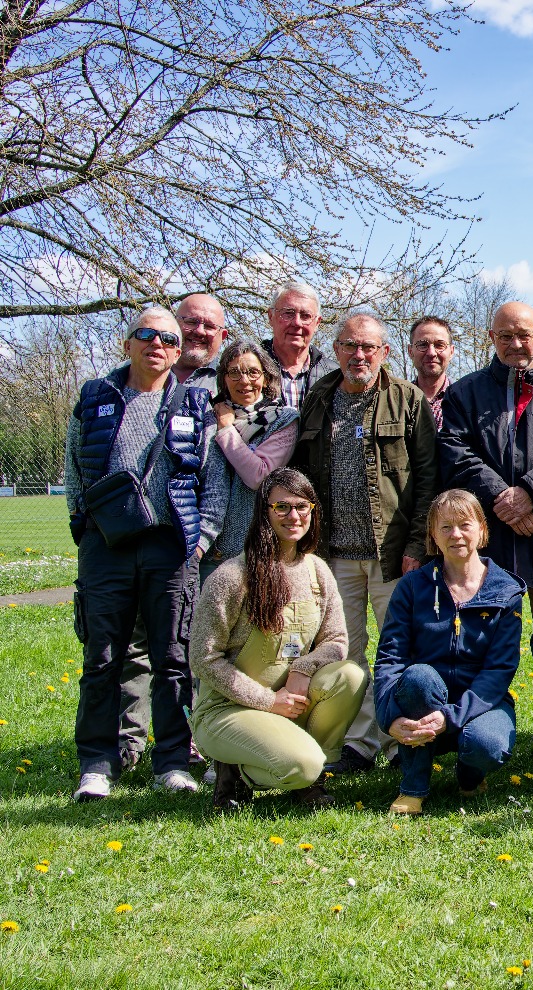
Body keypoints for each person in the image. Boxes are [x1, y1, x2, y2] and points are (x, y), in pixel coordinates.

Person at [65, 306, 227, 800]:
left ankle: (172, 762)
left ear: (179, 352)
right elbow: (75, 468)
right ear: (128, 343)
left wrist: (200, 541)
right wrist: (86, 530)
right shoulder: (96, 399)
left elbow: (211, 480)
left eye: (168, 340)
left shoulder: (194, 404)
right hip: (107, 548)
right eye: (146, 335)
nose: (157, 345)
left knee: (173, 659)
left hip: (171, 548)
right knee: (103, 658)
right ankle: (97, 762)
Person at [437, 300, 533, 737]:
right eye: (505, 335)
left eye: (523, 335)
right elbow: (455, 454)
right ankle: (474, 732)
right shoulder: (465, 394)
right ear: (491, 338)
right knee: (476, 646)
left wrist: (528, 494)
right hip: (487, 546)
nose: (515, 344)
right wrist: (503, 500)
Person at [292, 311, 438, 774]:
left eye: (368, 347)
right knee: (344, 654)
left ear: (385, 352)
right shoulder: (317, 400)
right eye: (350, 346)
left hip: (393, 555)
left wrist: (417, 543)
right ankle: (356, 743)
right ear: (335, 350)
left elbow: (428, 480)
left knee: (399, 651)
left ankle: (400, 741)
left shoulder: (408, 400)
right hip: (332, 555)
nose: (359, 355)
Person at [188, 468, 366, 812]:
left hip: (290, 703)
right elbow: (203, 658)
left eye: (302, 506)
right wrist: (266, 701)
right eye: (281, 507)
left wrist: (303, 669)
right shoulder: (232, 577)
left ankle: (306, 776)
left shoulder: (317, 570)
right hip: (228, 709)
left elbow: (336, 639)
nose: (294, 516)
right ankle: (236, 773)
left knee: (350, 676)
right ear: (264, 512)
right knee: (302, 764)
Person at [374, 490, 526, 815]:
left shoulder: (507, 591)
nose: (456, 535)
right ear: (433, 535)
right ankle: (412, 787)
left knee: (488, 744)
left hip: (482, 703)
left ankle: (469, 777)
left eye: (464, 525)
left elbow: (499, 671)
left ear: (482, 530)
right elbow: (390, 657)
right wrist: (390, 717)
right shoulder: (411, 587)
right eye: (446, 527)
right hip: (423, 700)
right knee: (416, 676)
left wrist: (450, 717)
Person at [202, 341, 299, 584]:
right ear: (223, 378)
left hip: (256, 549)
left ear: (266, 378)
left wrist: (225, 429)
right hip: (206, 548)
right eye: (234, 372)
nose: (244, 380)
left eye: (253, 372)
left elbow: (258, 475)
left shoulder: (283, 420)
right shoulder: (205, 417)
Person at [262, 283, 337, 409]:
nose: (297, 323)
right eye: (288, 313)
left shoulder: (334, 376)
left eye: (305, 316)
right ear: (271, 317)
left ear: (317, 323)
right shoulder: (249, 368)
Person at [172, 292, 229, 393]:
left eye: (209, 326)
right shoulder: (141, 369)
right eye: (191, 322)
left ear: (222, 336)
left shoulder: (231, 381)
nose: (199, 331)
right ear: (174, 324)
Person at [408, 315, 455, 431]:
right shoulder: (397, 402)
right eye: (423, 345)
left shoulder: (467, 401)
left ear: (451, 351)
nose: (431, 353)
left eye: (439, 345)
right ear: (410, 351)